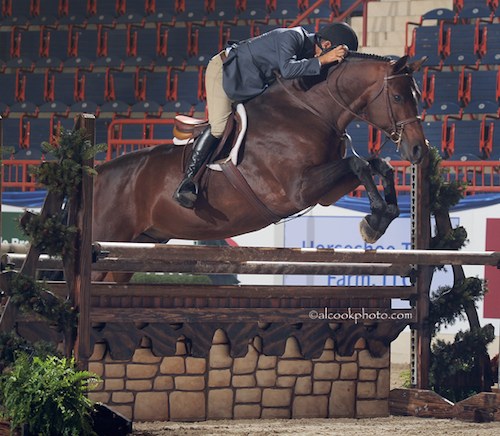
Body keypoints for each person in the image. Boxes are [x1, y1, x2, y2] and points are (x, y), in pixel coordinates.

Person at [174, 22, 359, 209]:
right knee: (219, 127)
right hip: (226, 72)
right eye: (332, 56)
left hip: (251, 83)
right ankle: (188, 181)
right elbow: (288, 70)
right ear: (326, 45)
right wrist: (324, 60)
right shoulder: (291, 37)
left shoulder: (307, 52)